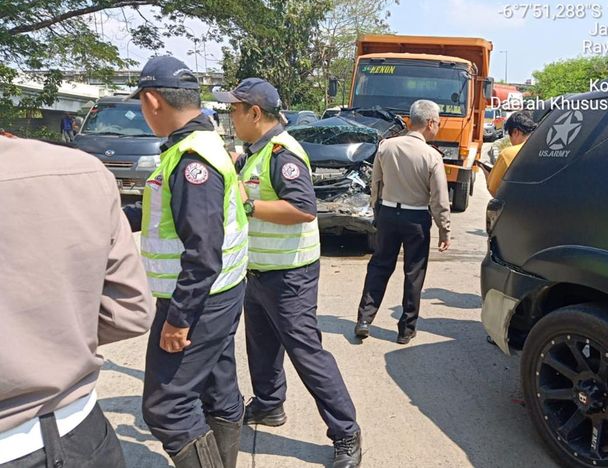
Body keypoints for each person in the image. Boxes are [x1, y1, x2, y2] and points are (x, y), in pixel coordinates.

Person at [214, 78, 362, 468]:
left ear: (255, 113)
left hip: (290, 276)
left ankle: (346, 432)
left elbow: (303, 209)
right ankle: (268, 405)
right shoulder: (255, 152)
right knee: (260, 347)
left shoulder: (283, 153)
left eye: (234, 110)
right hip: (260, 271)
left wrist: (247, 205)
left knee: (306, 353)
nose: (231, 117)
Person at [124, 56, 249, 468]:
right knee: (217, 389)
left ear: (152, 100)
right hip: (220, 293)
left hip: (197, 300)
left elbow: (203, 250)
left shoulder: (192, 159)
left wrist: (179, 318)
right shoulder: (200, 145)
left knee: (167, 407)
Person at [0, 137, 154, 467]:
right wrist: (61, 331)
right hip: (81, 433)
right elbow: (130, 311)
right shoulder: (81, 170)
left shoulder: (194, 156)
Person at [355, 99, 451, 344]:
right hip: (416, 218)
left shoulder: (386, 146)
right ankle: (406, 329)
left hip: (388, 213)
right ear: (429, 123)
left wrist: (378, 211)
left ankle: (364, 319)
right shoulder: (432, 156)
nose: (437, 127)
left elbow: (376, 183)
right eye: (438, 123)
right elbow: (439, 198)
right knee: (413, 272)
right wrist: (444, 229)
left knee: (379, 266)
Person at [484, 111, 536, 196]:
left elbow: (494, 191)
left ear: (516, 132)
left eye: (509, 134)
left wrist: (487, 175)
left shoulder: (507, 154)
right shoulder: (545, 151)